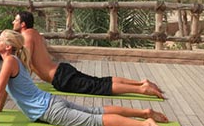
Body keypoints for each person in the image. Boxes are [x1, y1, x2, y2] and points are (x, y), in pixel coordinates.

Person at [0, 30, 173, 126]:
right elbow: (8, 91)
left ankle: (145, 125)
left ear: (7, 47)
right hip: (52, 102)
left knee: (96, 120)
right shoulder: (15, 61)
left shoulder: (9, 61)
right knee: (96, 111)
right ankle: (144, 113)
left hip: (49, 111)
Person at [11, 11, 165, 98]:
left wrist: (22, 86)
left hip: (60, 78)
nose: (13, 22)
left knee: (98, 87)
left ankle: (142, 89)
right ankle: (140, 82)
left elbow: (26, 62)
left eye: (15, 20)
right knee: (99, 81)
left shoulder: (27, 37)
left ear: (23, 24)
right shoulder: (35, 33)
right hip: (62, 70)